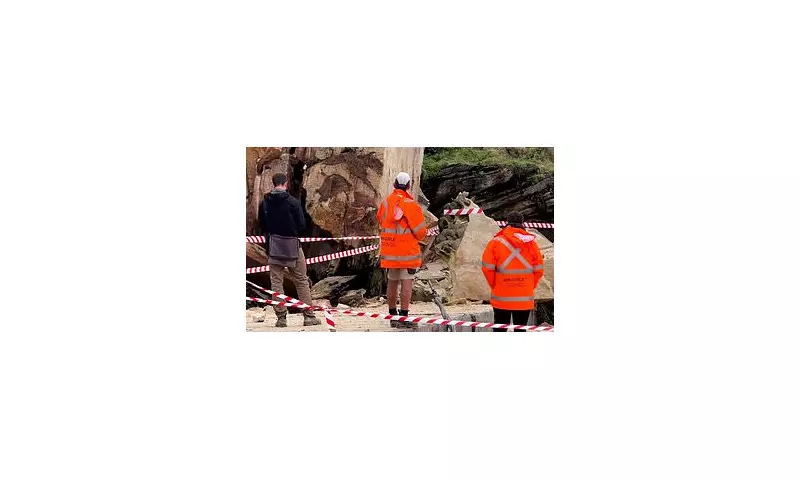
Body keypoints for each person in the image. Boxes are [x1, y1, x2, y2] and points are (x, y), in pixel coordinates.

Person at [258, 172, 319, 327]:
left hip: (274, 245)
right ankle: (309, 316)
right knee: (301, 281)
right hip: (292, 245)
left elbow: (262, 225)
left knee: (276, 282)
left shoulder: (264, 203)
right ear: (285, 184)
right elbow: (301, 225)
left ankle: (281, 318)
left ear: (274, 184)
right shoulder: (293, 202)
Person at [376, 172, 428, 328]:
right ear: (408, 186)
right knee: (407, 282)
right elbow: (420, 232)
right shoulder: (410, 204)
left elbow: (380, 219)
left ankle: (393, 316)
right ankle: (404, 317)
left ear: (394, 184)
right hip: (407, 253)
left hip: (389, 251)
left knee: (392, 282)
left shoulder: (386, 203)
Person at [481, 212, 545, 332]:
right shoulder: (531, 243)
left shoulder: (496, 242)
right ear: (522, 223)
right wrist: (530, 286)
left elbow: (487, 268)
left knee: (500, 330)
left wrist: (495, 284)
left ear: (507, 223)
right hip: (524, 297)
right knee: (520, 331)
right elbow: (539, 270)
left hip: (501, 297)